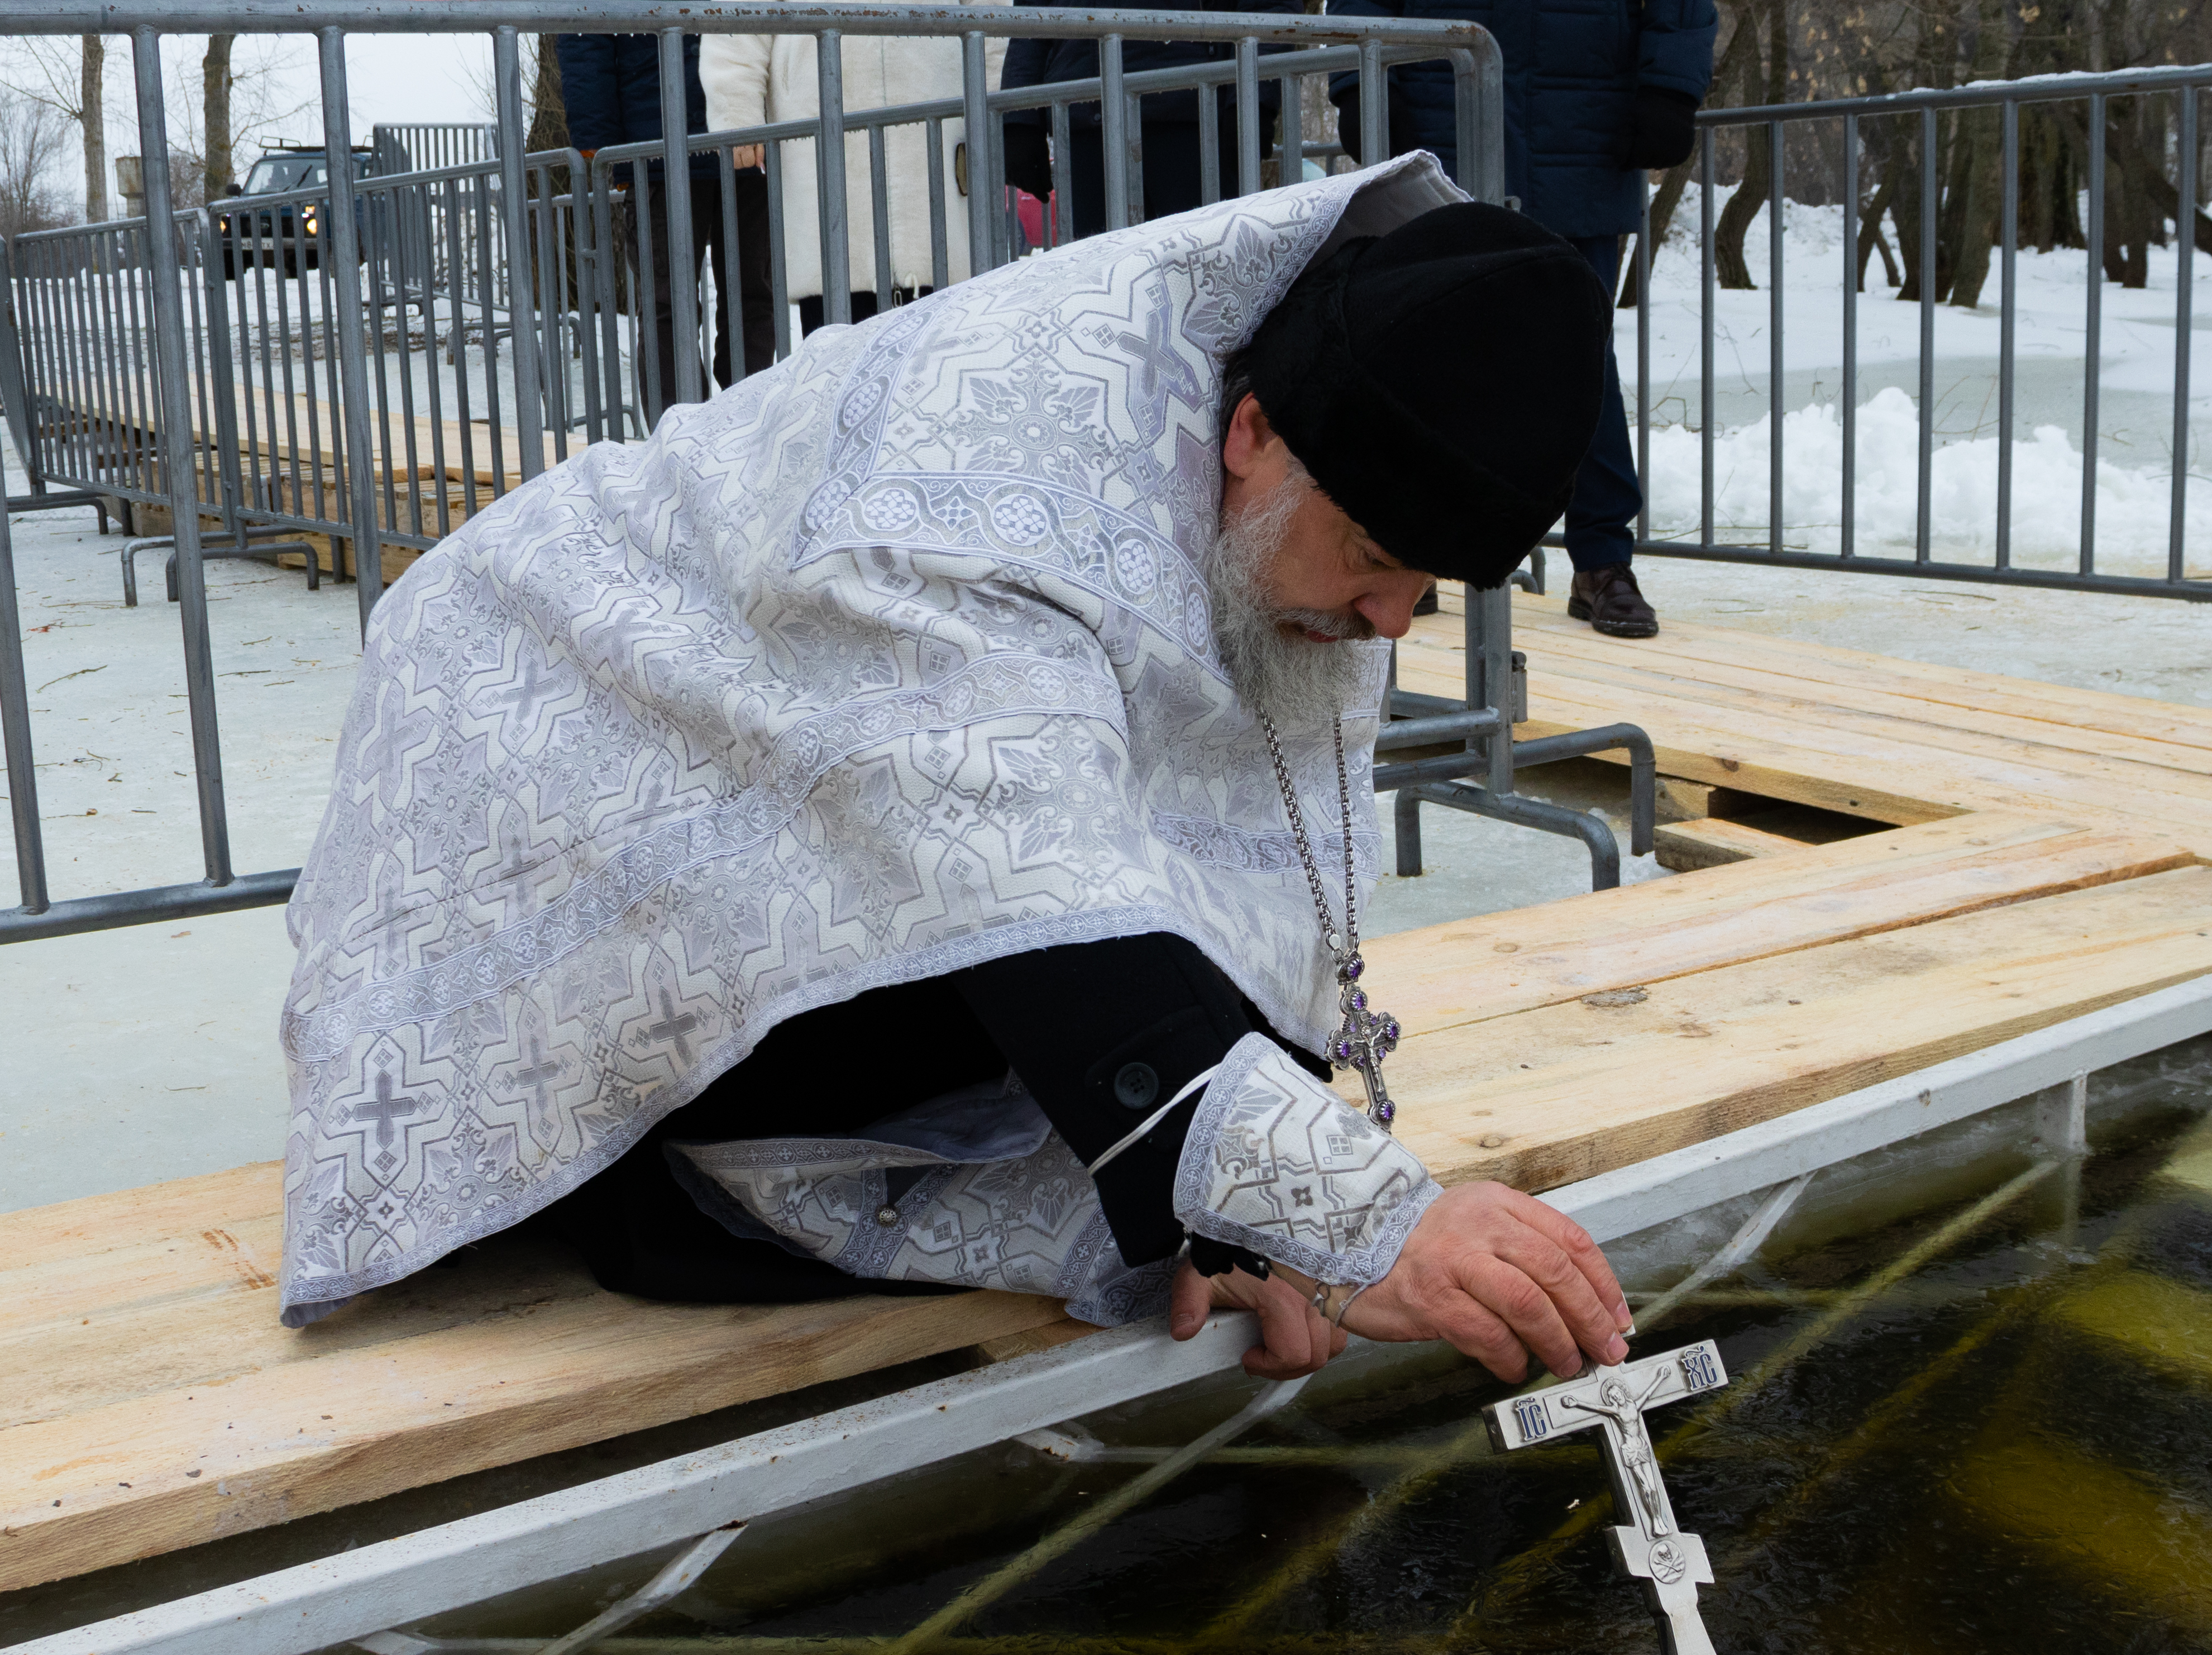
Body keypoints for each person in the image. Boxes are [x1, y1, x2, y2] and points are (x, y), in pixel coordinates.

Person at [276, 157, 1635, 1389]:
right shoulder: (981, 484)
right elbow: (1011, 873)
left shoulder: (1289, 489)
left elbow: (1213, 846)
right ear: (1254, 434)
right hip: (565, 708)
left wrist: (1242, 1213)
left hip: (794, 716)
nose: (1392, 622)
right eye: (1376, 556)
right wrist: (1358, 1218)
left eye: (1428, 586)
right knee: (792, 1089)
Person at [1328, 0, 1714, 637]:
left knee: (1579, 358)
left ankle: (1602, 560)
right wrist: (1358, 81)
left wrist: (1670, 87)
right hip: (1441, 103)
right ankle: (1409, 551)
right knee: (1428, 351)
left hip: (1581, 125)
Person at [701, 7, 1009, 338]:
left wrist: (990, 105)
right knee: (836, 341)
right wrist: (737, 113)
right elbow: (737, 20)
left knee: (940, 347)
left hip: (935, 104)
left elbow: (990, 13)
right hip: (818, 113)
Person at [557, 31, 777, 415]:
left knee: (744, 294)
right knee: (672, 302)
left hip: (740, 136)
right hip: (661, 145)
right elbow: (585, 31)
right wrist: (600, 142)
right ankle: (680, 433)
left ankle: (747, 420)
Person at [997, 0, 1281, 240]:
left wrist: (1254, 99)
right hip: (1087, 119)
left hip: (1194, 120)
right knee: (1100, 284)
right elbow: (1033, 14)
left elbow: (1267, 5)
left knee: (1205, 277)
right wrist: (1019, 118)